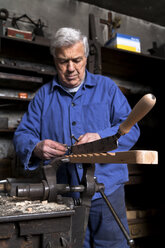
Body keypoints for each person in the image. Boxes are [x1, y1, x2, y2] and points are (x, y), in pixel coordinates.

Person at [13, 27, 140, 248]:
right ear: (55, 60)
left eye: (76, 60)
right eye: (63, 61)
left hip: (107, 191)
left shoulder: (107, 88)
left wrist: (101, 136)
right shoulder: (43, 97)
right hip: (62, 196)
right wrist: (36, 146)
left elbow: (132, 128)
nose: (70, 68)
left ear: (86, 57)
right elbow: (23, 134)